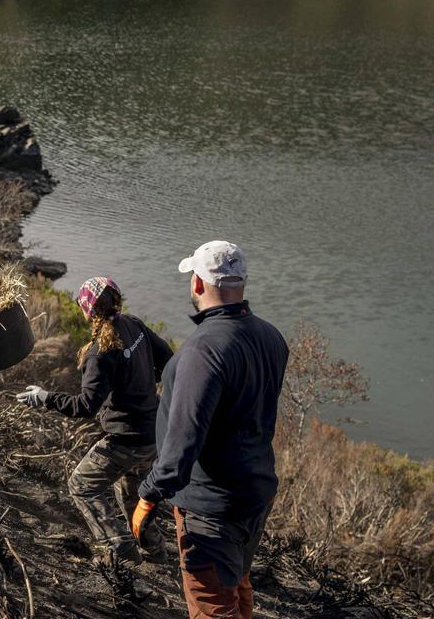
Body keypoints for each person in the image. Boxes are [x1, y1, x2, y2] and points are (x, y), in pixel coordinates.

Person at [132, 241, 289, 619]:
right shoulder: (271, 336)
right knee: (237, 583)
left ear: (198, 285)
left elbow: (182, 445)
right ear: (242, 284)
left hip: (211, 509)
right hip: (255, 492)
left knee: (213, 606)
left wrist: (147, 497)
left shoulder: (203, 351)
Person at [15, 277, 172, 566]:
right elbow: (168, 359)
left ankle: (120, 549)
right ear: (116, 301)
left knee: (82, 485)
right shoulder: (134, 324)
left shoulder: (98, 352)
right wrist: (145, 382)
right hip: (152, 433)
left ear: (87, 310)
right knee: (134, 496)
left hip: (126, 439)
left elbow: (86, 406)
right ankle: (155, 552)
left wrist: (45, 398)